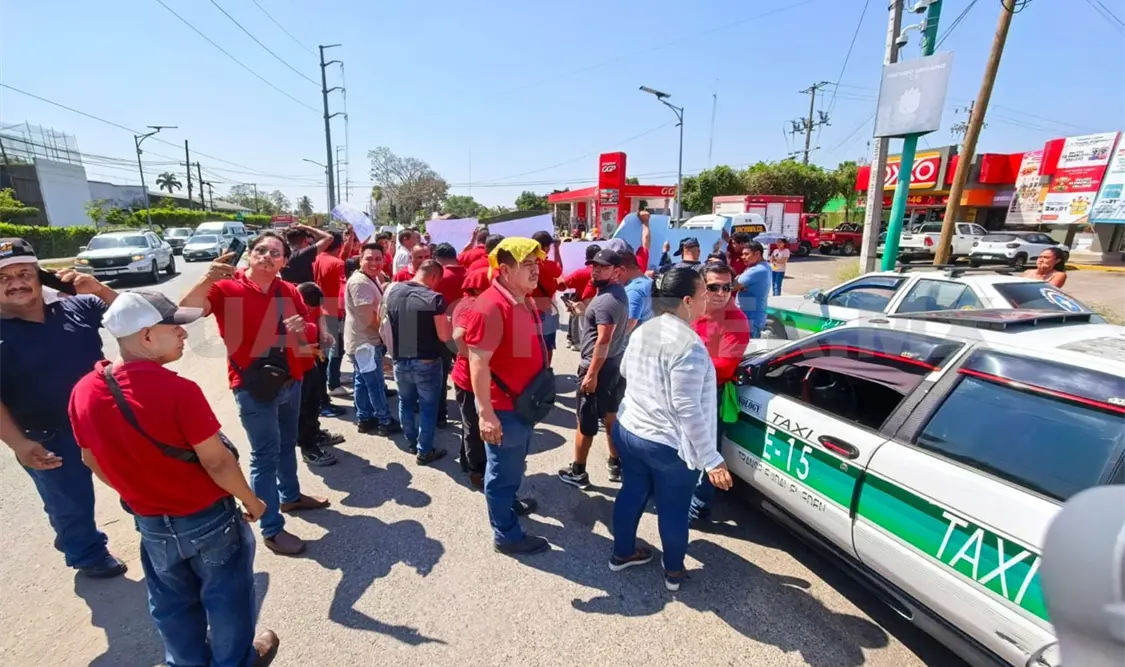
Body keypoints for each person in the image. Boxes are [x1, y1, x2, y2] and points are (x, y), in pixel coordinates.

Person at [67, 290, 280, 667]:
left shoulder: (83, 391)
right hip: (208, 517)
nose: (184, 335)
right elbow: (216, 462)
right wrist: (252, 500)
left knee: (171, 603)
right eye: (176, 328)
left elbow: (91, 459)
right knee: (227, 597)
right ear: (147, 336)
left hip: (150, 520)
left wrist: (134, 493)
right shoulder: (178, 389)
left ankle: (186, 663)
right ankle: (234, 662)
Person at [179, 232, 330, 556]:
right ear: (249, 254)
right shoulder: (226, 289)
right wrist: (207, 277)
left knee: (288, 444)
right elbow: (184, 313)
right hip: (253, 386)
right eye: (260, 249)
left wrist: (302, 331)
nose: (266, 255)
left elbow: (308, 332)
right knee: (265, 454)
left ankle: (290, 496)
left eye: (275, 253)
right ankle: (271, 528)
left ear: (284, 262)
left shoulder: (288, 290)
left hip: (292, 380)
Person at [0, 237, 127, 578]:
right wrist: (19, 444)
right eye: (3, 278)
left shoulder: (78, 305)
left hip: (105, 420)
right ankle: (86, 553)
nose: (15, 284)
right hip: (46, 434)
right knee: (69, 502)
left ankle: (161, 529)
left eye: (23, 273)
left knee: (134, 478)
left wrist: (98, 288)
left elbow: (140, 318)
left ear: (39, 274)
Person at [611, 268, 734, 591]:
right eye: (704, 293)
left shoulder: (645, 330)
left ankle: (622, 552)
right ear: (687, 301)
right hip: (666, 444)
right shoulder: (688, 345)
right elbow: (687, 407)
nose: (709, 298)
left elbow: (626, 369)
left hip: (631, 430)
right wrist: (711, 458)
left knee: (632, 492)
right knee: (674, 508)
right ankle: (674, 571)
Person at [462, 238, 548, 555]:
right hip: (505, 409)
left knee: (514, 465)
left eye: (536, 264)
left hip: (523, 404)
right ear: (505, 270)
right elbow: (478, 362)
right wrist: (485, 414)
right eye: (527, 265)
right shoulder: (490, 306)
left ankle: (509, 504)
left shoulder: (518, 298)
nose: (535, 270)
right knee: (501, 474)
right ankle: (507, 535)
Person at [559, 249, 629, 488]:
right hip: (613, 365)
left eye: (603, 267)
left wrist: (591, 375)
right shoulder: (614, 294)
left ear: (617, 271)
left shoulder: (606, 301)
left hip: (597, 367)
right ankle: (615, 463)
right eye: (594, 266)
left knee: (586, 421)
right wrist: (581, 311)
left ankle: (578, 471)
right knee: (611, 416)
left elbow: (603, 339)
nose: (595, 270)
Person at [689, 264, 750, 523]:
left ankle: (698, 507)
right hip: (683, 388)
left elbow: (724, 368)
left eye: (727, 287)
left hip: (709, 393)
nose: (721, 292)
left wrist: (682, 364)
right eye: (714, 287)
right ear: (703, 287)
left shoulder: (735, 320)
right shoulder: (694, 309)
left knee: (706, 448)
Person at [384, 259, 451, 465]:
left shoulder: (393, 291)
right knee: (428, 407)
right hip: (426, 360)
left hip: (400, 358)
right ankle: (425, 450)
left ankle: (411, 441)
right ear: (434, 276)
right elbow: (444, 336)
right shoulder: (434, 298)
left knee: (405, 402)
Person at [344, 242, 401, 436]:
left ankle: (364, 418)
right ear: (360, 259)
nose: (374, 263)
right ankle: (385, 420)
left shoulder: (370, 278)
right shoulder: (360, 283)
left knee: (362, 381)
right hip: (365, 344)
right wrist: (388, 335)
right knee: (375, 383)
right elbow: (369, 318)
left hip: (361, 341)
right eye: (369, 258)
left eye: (378, 259)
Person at [450, 267, 491, 489]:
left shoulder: (462, 302)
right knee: (475, 427)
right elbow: (458, 335)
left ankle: (467, 462)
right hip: (470, 377)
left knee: (469, 423)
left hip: (464, 375)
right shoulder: (474, 305)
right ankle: (477, 471)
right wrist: (473, 357)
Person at [294, 282, 338, 468]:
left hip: (310, 364)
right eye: (309, 307)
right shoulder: (287, 312)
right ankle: (308, 448)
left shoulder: (313, 304)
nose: (311, 310)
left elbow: (320, 318)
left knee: (314, 404)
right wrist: (305, 348)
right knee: (302, 410)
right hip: (296, 369)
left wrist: (325, 335)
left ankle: (314, 434)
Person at [433, 243, 466, 428]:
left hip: (443, 332)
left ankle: (440, 415)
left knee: (440, 374)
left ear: (437, 259)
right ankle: (470, 409)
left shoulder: (438, 277)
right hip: (467, 331)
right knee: (467, 371)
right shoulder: (470, 274)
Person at [313, 233, 349, 399]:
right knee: (337, 348)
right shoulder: (337, 263)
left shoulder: (318, 258)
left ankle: (331, 377)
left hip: (321, 308)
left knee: (327, 348)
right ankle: (333, 383)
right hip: (335, 310)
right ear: (339, 245)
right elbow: (342, 289)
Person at [530, 230, 563, 364]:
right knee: (547, 344)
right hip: (546, 310)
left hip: (527, 309)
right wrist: (557, 250)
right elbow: (559, 269)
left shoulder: (524, 264)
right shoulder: (548, 266)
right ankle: (545, 370)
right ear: (545, 248)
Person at [561, 243, 601, 351]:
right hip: (601, 304)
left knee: (584, 329)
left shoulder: (580, 273)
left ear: (586, 257)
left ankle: (576, 343)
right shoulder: (607, 272)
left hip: (583, 304)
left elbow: (563, 285)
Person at [735, 241, 772, 338]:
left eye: (746, 254)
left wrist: (738, 282)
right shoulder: (764, 266)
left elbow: (733, 286)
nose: (743, 257)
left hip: (750, 320)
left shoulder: (757, 270)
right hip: (751, 318)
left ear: (757, 254)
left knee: (749, 350)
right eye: (742, 254)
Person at [620, 249, 652, 333]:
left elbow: (627, 327)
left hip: (638, 342)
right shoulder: (649, 282)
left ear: (622, 269)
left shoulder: (633, 291)